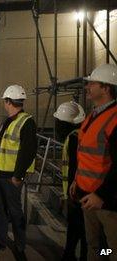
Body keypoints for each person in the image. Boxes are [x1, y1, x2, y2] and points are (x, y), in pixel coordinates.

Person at [0, 84, 37, 260]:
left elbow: (28, 151)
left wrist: (18, 175)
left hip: (12, 176)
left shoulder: (26, 121)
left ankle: (20, 247)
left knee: (15, 212)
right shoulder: (7, 121)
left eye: (4, 101)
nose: (4, 104)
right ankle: (0, 241)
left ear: (8, 101)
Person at [69, 63, 117, 261]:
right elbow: (87, 156)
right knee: (95, 247)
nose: (87, 88)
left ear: (106, 88)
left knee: (113, 250)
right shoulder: (93, 116)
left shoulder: (114, 118)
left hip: (107, 202)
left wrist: (101, 194)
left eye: (92, 84)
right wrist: (76, 181)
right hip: (88, 197)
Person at [54, 101, 87, 261]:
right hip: (76, 194)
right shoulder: (76, 136)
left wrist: (71, 195)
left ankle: (104, 256)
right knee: (78, 231)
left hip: (79, 195)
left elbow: (76, 168)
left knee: (85, 234)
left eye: (59, 122)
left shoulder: (74, 138)